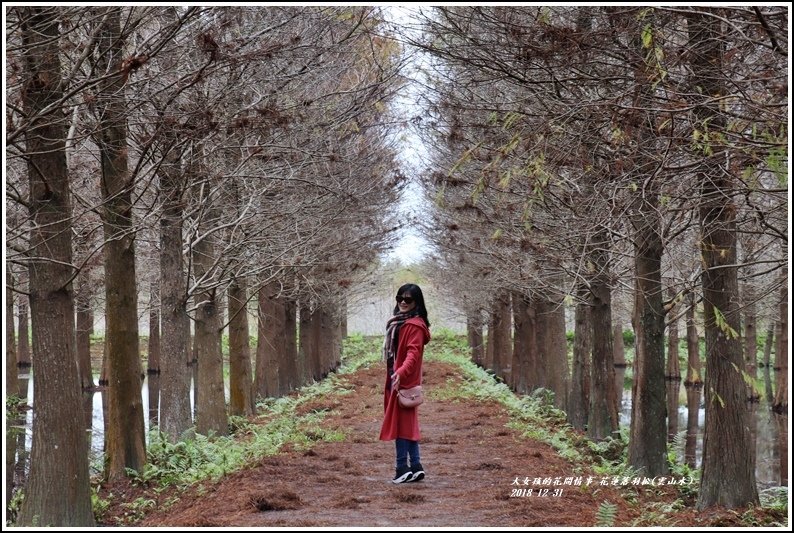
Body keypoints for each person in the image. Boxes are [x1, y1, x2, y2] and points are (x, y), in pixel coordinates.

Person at [379, 283, 431, 484]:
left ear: (416, 302)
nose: (402, 302)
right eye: (399, 298)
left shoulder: (413, 326)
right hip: (398, 379)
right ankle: (416, 466)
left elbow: (413, 353)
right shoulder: (400, 323)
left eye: (407, 299)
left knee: (401, 425)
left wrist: (400, 372)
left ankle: (402, 468)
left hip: (403, 382)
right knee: (408, 424)